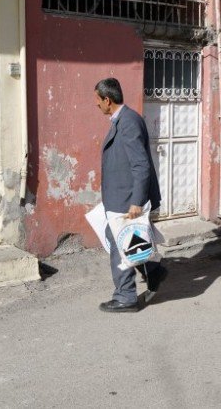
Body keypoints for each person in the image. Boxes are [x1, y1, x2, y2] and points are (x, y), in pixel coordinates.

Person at [94, 78, 167, 313]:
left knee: (119, 243)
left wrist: (137, 201)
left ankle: (126, 297)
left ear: (107, 100)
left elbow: (140, 165)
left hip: (126, 198)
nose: (96, 105)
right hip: (120, 195)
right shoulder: (122, 119)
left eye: (98, 100)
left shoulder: (128, 122)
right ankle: (154, 271)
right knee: (116, 235)